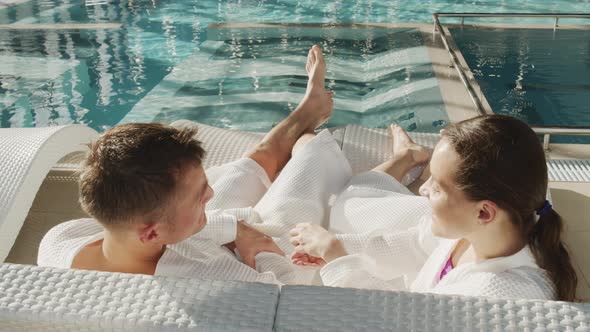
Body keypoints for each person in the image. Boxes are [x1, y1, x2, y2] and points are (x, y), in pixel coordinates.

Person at [37, 45, 353, 285]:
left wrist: (232, 227)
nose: (210, 193)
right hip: (233, 243)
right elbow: (285, 295)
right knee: (310, 156)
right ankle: (307, 129)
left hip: (193, 231)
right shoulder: (213, 280)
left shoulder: (60, 241)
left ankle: (306, 111)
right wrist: (263, 248)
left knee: (242, 170)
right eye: (200, 195)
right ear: (150, 234)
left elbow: (133, 226)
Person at [289, 115, 577, 301]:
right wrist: (337, 249)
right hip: (431, 224)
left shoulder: (495, 297)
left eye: (436, 186)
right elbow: (414, 243)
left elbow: (390, 324)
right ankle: (408, 157)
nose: (423, 190)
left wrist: (340, 260)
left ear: (484, 213)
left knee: (346, 203)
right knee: (345, 210)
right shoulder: (484, 232)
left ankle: (405, 156)